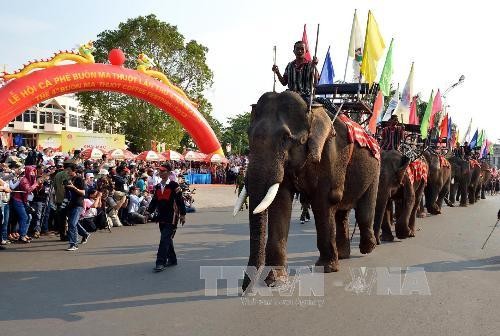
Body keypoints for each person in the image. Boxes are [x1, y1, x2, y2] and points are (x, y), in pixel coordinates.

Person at [148, 163, 186, 272]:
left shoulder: (174, 185)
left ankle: (160, 262)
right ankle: (173, 259)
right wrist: (148, 212)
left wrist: (183, 215)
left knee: (164, 239)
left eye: (163, 171)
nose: (161, 173)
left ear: (169, 173)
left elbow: (180, 201)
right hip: (161, 217)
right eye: (160, 171)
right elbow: (154, 201)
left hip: (172, 217)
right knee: (167, 239)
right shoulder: (158, 186)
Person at [65, 167, 90, 251]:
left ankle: (74, 244)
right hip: (70, 204)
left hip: (78, 204)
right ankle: (85, 233)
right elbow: (67, 194)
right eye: (66, 171)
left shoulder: (79, 179)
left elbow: (83, 192)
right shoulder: (68, 180)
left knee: (72, 224)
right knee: (73, 222)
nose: (67, 172)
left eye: (69, 171)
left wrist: (73, 187)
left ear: (74, 171)